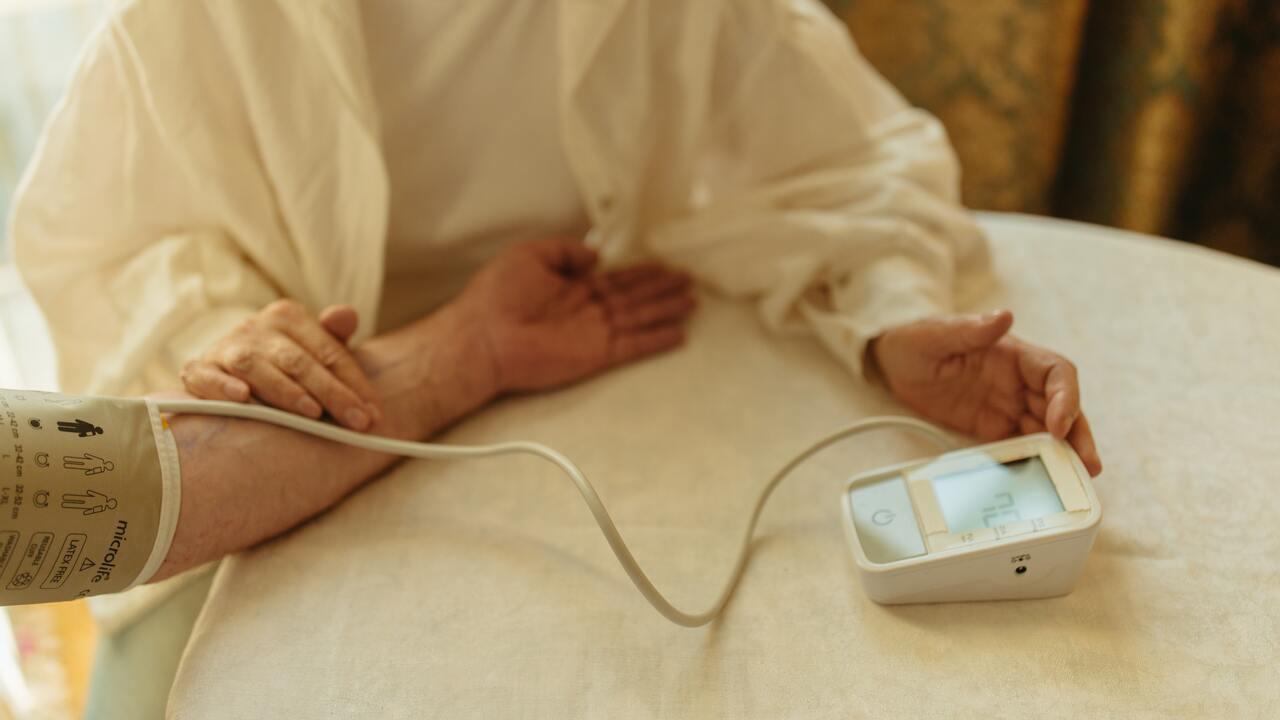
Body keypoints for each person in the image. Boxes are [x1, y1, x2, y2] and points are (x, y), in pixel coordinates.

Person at [12, 0, 1100, 588]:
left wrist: (889, 318)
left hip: (589, 377)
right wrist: (228, 334)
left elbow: (844, 160)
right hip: (301, 437)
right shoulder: (183, 26)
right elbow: (120, 260)